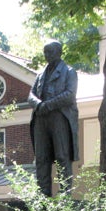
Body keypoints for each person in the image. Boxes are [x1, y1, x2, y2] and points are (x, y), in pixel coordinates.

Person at [28, 40, 79, 196]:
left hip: (59, 118)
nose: (47, 55)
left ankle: (65, 195)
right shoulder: (40, 75)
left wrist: (48, 105)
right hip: (41, 119)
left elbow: (70, 95)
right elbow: (30, 95)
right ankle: (43, 196)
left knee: (62, 156)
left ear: (59, 52)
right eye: (45, 52)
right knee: (41, 159)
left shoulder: (69, 72)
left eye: (49, 52)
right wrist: (38, 104)